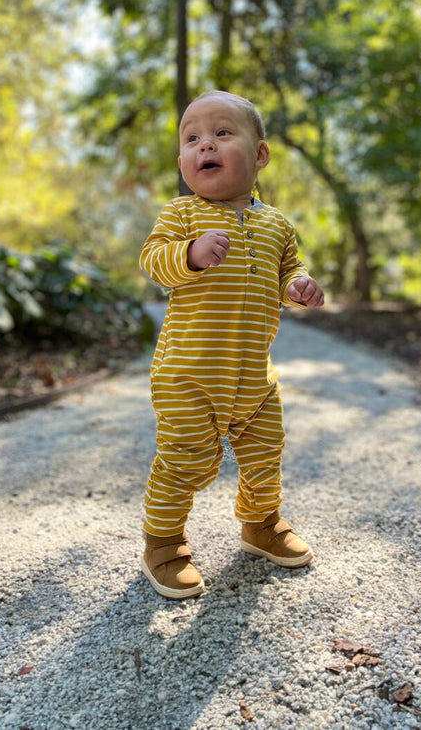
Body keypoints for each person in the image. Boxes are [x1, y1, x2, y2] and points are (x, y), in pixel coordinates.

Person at [139, 90, 324, 599]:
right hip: (188, 374)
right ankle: (164, 541)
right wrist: (190, 255)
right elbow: (154, 260)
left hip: (253, 378)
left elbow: (291, 270)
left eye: (222, 133)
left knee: (266, 453)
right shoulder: (181, 215)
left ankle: (261, 524)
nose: (205, 146)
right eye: (192, 138)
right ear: (182, 162)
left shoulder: (278, 225)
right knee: (188, 460)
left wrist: (300, 287)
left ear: (259, 154)